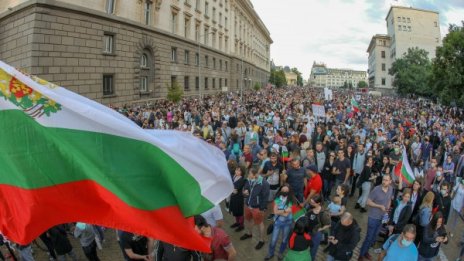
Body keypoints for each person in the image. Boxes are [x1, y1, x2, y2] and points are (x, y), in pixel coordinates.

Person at [358, 174, 393, 261]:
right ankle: (361, 255)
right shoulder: (376, 189)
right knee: (369, 237)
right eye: (383, 179)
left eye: (386, 180)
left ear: (390, 181)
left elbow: (389, 199)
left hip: (382, 218)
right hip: (373, 217)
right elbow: (368, 202)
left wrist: (387, 208)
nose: (384, 181)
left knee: (374, 238)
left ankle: (366, 251)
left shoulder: (391, 189)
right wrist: (379, 206)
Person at [240, 168, 270, 250]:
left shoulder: (264, 183)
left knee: (260, 223)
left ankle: (261, 240)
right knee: (248, 220)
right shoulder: (248, 180)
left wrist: (262, 208)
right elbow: (246, 189)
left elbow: (265, 197)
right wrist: (245, 193)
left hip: (257, 207)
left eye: (249, 174)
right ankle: (249, 234)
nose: (248, 175)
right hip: (248, 205)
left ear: (255, 174)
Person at [265, 184, 294, 261]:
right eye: (283, 190)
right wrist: (284, 210)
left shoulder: (291, 200)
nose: (284, 192)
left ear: (289, 192)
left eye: (286, 191)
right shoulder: (277, 198)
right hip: (278, 222)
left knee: (284, 240)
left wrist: (279, 211)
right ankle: (270, 253)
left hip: (287, 223)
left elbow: (287, 214)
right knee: (273, 240)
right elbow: (275, 211)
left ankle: (280, 253)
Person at [304, 194, 331, 260]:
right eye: (311, 201)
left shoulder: (323, 214)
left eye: (313, 203)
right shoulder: (310, 208)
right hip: (307, 232)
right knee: (304, 248)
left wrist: (321, 229)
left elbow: (328, 224)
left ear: (318, 203)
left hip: (316, 234)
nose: (311, 203)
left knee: (313, 251)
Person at [229, 166, 247, 232]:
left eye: (239, 171)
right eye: (236, 170)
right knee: (235, 211)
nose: (237, 171)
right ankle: (237, 222)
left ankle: (241, 225)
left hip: (239, 198)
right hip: (233, 197)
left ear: (242, 172)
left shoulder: (242, 179)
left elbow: (236, 189)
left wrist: (231, 189)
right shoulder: (234, 177)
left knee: (240, 212)